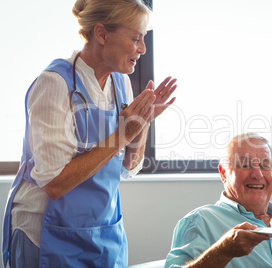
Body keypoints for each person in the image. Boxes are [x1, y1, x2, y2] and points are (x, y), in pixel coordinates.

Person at [2, 0, 177, 267]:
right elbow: (54, 184)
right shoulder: (55, 83)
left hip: (102, 232)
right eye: (135, 38)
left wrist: (142, 124)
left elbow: (128, 167)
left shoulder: (121, 83)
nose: (142, 49)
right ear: (102, 34)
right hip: (45, 235)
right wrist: (122, 135)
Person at [165, 133, 272, 268]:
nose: (257, 175)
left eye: (265, 166)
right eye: (245, 165)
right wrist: (221, 252)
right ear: (223, 173)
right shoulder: (201, 221)